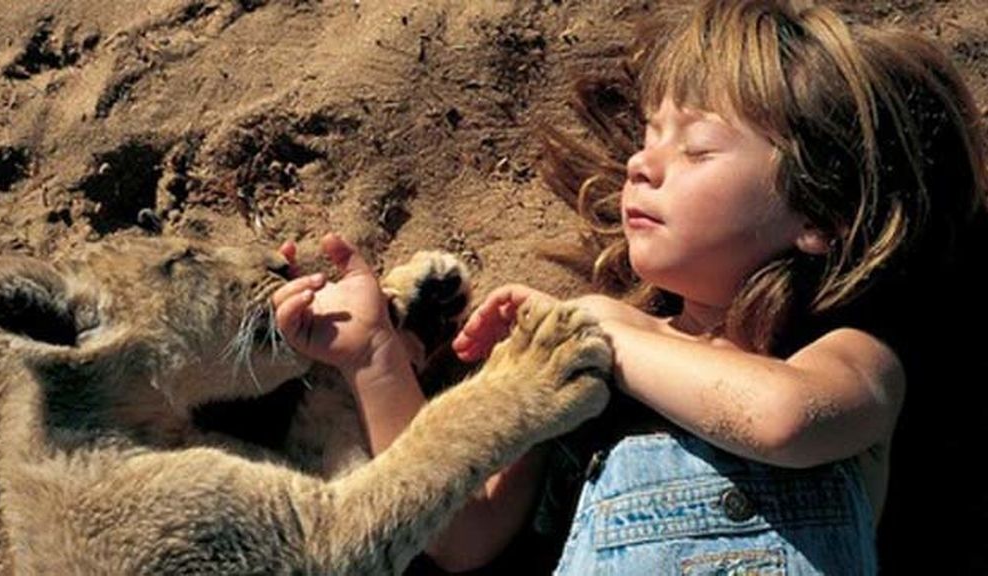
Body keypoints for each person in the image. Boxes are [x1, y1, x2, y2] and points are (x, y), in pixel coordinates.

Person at [274, 0, 988, 573]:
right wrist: (375, 359)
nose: (643, 166)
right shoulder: (583, 368)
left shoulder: (854, 358)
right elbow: (462, 533)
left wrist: (602, 329)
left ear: (821, 212)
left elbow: (782, 420)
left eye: (697, 149)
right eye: (647, 139)